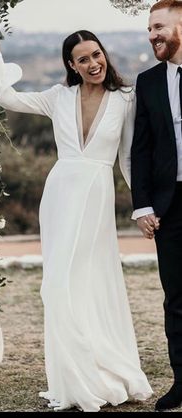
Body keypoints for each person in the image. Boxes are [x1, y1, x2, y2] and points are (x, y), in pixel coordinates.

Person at [0, 29, 152, 412]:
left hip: (96, 195)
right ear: (71, 65)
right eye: (83, 59)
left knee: (90, 282)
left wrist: (143, 206)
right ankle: (73, 379)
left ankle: (103, 370)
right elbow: (6, 97)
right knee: (57, 285)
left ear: (105, 55)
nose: (93, 63)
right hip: (60, 195)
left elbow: (129, 159)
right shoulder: (59, 97)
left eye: (96, 54)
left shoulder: (125, 99)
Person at [131, 0, 182, 412]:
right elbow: (141, 150)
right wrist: (142, 206)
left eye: (160, 26)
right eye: (150, 29)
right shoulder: (147, 82)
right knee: (177, 299)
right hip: (171, 207)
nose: (153, 35)